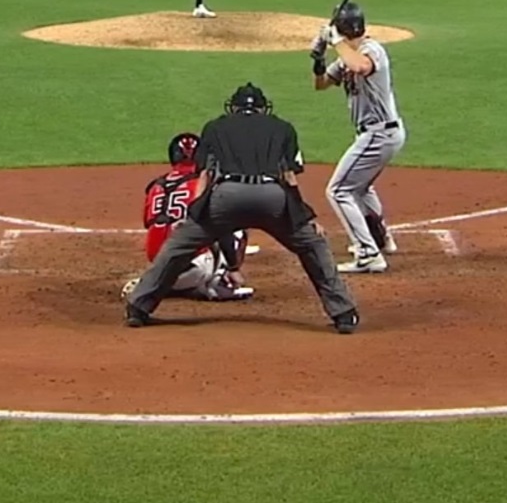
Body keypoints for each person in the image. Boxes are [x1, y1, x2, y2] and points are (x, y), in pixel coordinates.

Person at [123, 83, 361, 334]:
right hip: (272, 197)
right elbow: (289, 177)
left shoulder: (214, 127)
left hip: (226, 198)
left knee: (177, 248)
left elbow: (205, 175)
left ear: (233, 108)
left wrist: (194, 216)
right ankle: (344, 314)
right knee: (313, 245)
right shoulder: (283, 128)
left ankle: (138, 308)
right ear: (262, 108)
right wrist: (305, 217)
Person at [311, 2, 406, 273]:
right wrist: (318, 57)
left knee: (338, 190)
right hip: (379, 133)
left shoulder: (371, 50)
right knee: (361, 188)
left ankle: (368, 254)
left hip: (380, 133)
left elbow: (362, 67)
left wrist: (335, 42)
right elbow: (321, 84)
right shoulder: (347, 56)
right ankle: (381, 239)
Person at [119, 132, 255, 303]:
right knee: (235, 226)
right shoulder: (205, 184)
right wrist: (233, 267)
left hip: (158, 262)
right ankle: (221, 283)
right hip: (193, 269)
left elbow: (149, 222)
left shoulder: (156, 185)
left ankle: (157, 282)